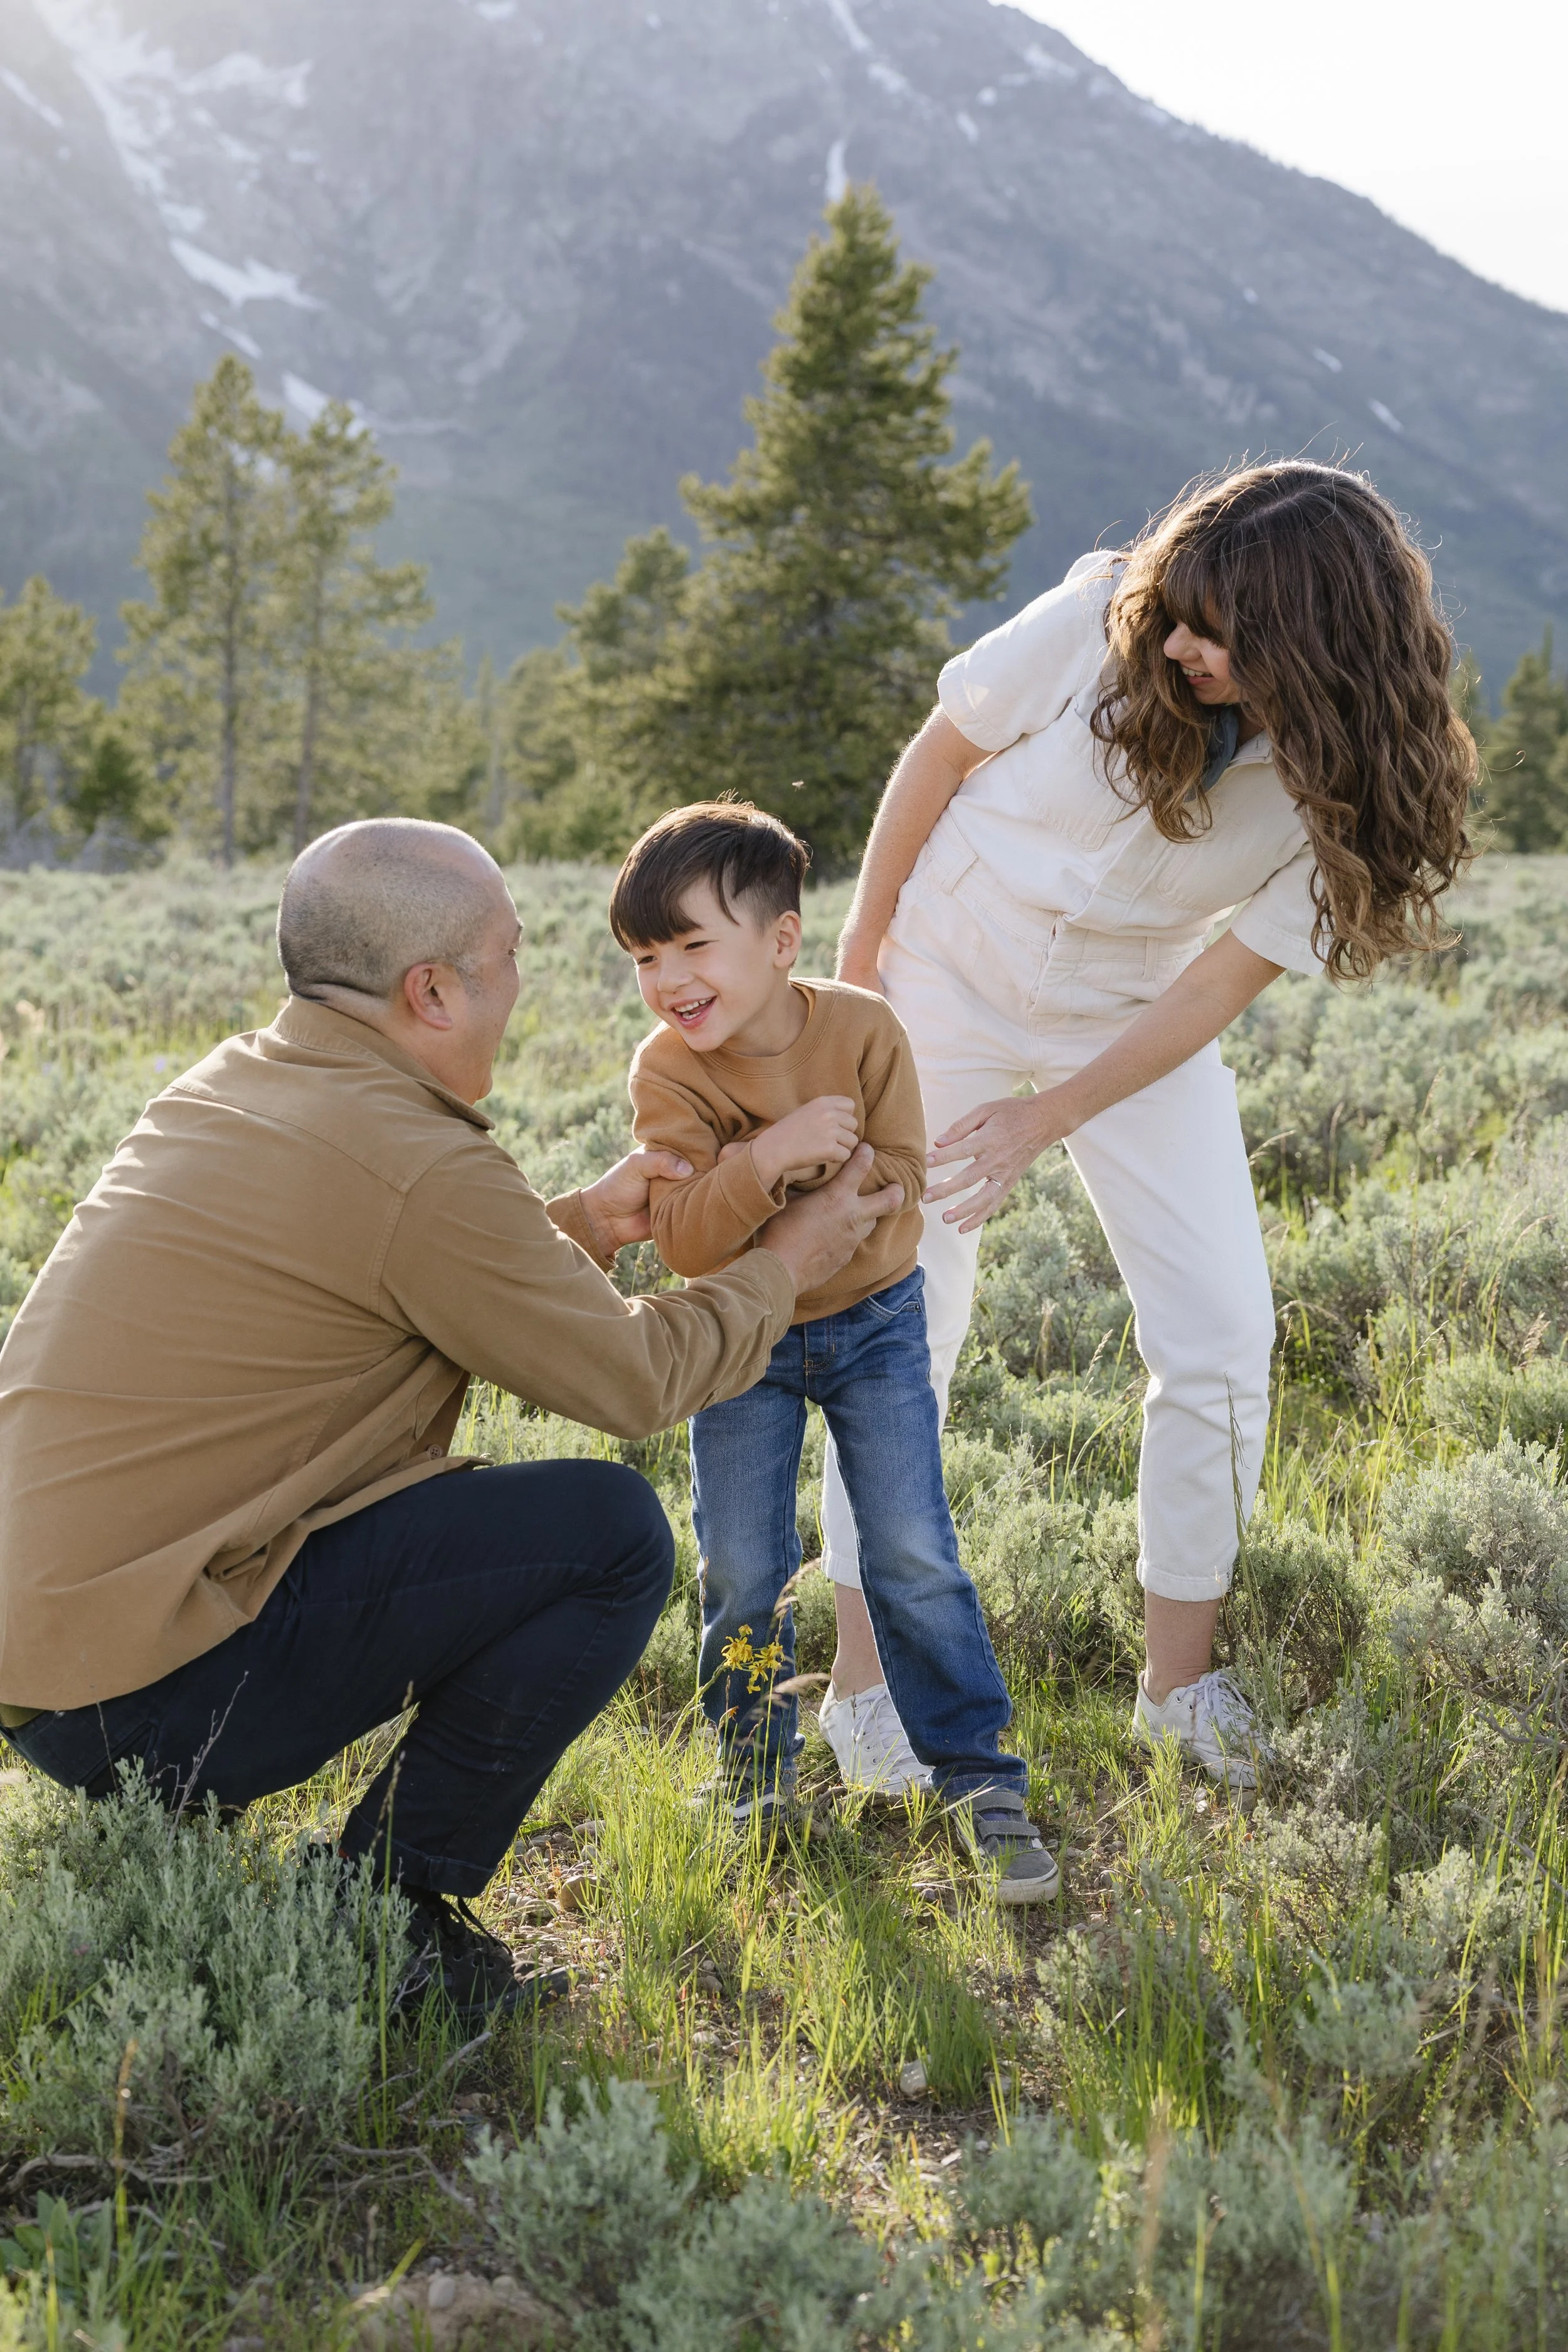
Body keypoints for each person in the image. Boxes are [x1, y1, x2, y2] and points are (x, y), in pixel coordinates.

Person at [0, 818, 903, 2018]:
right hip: (143, 1694)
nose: (522, 986)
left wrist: (577, 1221)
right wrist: (787, 1259)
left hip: (52, 1662)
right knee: (608, 1534)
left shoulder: (236, 1082)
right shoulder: (418, 1166)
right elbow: (635, 1382)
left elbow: (381, 1267)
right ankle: (386, 1910)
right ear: (431, 989)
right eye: (510, 954)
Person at [825, 462, 1475, 1787]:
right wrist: (859, 958)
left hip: (1123, 1018)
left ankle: (1177, 1689)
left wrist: (1045, 1117)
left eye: (1216, 631)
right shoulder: (1096, 619)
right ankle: (863, 1688)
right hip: (939, 971)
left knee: (1223, 1333)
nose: (1177, 643)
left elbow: (1210, 988)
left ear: (1310, 644)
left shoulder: (1344, 782)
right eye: (1176, 611)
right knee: (898, 1322)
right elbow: (941, 751)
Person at [613, 802, 1057, 1904]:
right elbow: (683, 1237)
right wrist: (772, 1156)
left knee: (911, 1545)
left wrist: (835, 1188)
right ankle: (757, 1773)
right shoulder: (668, 1072)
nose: (668, 977)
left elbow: (901, 1171)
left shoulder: (863, 1031)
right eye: (644, 956)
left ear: (780, 941)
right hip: (741, 1340)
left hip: (874, 1326)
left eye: (691, 944)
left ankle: (978, 1777)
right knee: (742, 1562)